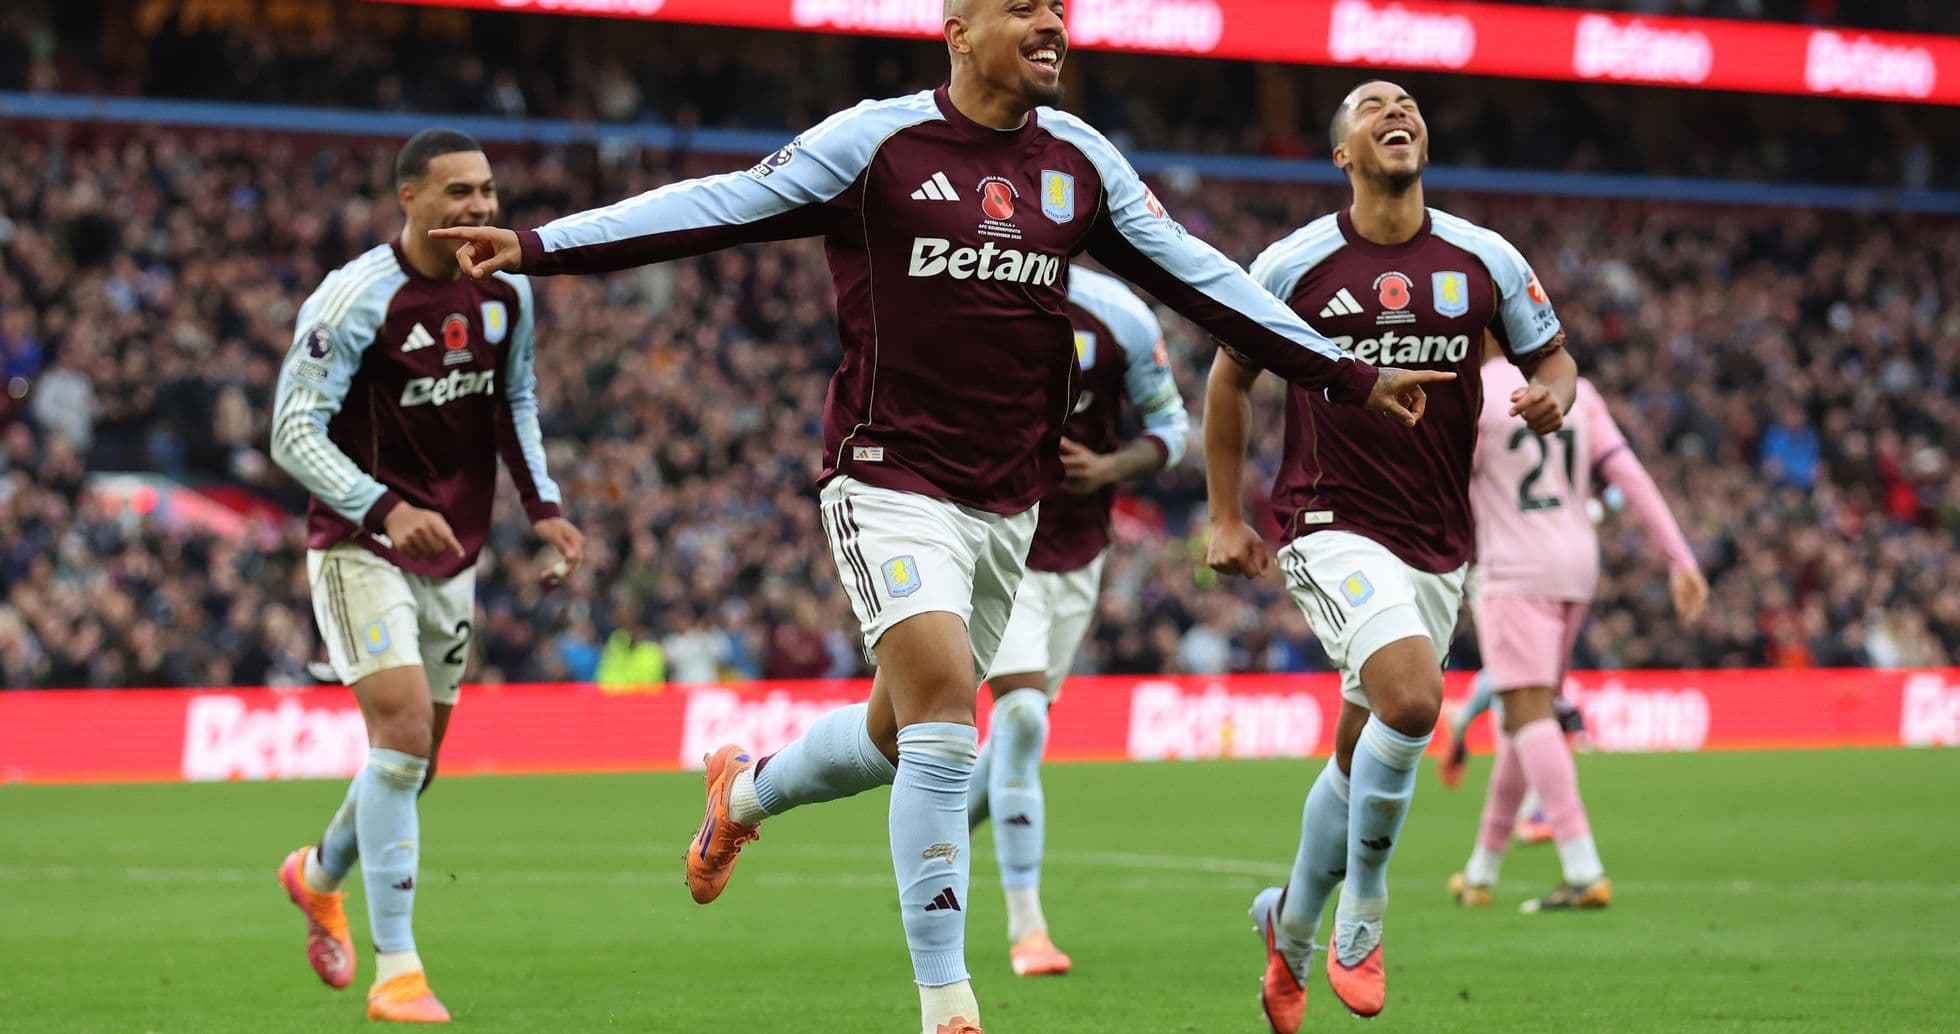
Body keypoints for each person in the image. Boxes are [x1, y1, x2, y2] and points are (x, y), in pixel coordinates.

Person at [433, 7, 1447, 1031]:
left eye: (1058, 8)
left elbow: (1201, 276)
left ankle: (744, 793)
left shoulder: (1081, 161)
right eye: (1024, 8)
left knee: (895, 733)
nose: (1051, 22)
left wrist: (1346, 371)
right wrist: (536, 245)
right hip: (884, 475)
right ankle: (947, 1004)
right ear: (959, 30)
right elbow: (720, 206)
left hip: (1009, 501)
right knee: (946, 714)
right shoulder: (874, 143)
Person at [1205, 80, 1577, 1032]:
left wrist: (1554, 395)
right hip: (1329, 521)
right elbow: (1229, 382)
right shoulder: (1295, 264)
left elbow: (1555, 359)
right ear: (1343, 154)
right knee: (1413, 702)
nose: (1393, 110)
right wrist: (1226, 515)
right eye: (1370, 105)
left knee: (1360, 748)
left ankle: (1286, 933)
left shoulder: (1483, 256)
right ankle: (1363, 913)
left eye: (1405, 101)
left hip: (1437, 541)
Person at [270, 129, 583, 1024]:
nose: (479, 208)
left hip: (455, 552)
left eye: (486, 191)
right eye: (458, 193)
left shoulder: (507, 292)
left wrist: (545, 506)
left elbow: (513, 401)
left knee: (416, 762)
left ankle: (317, 874)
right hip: (359, 546)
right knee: (402, 735)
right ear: (408, 200)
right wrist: (380, 507)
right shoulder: (357, 298)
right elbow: (294, 430)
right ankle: (398, 969)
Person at [965, 264, 1191, 977]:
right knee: (1024, 720)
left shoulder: (1119, 316)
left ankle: (932, 820)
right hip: (996, 541)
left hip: (1079, 553)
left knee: (1017, 734)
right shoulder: (970, 297)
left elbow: (1172, 428)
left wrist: (1111, 468)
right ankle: (1027, 927)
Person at [1445, 342, 1707, 912]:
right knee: (1523, 718)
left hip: (1514, 568)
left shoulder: (1473, 395)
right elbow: (1629, 476)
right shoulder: (1578, 393)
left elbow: (1447, 489)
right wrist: (1680, 558)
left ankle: (1583, 868)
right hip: (1576, 566)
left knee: (1530, 715)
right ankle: (1481, 871)